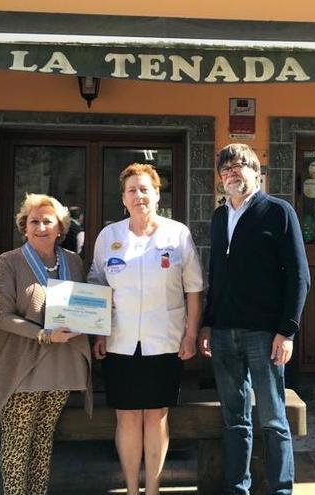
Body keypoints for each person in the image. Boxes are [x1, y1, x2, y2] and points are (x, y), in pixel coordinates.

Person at [198, 143, 310, 495]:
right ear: (220, 178)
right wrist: (207, 323)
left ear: (257, 172)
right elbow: (216, 275)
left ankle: (280, 490)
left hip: (265, 334)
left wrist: (287, 330)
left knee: (274, 419)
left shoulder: (278, 212)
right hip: (224, 333)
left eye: (240, 165)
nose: (232, 172)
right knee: (234, 419)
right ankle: (237, 488)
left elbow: (299, 275)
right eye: (226, 168)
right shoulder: (219, 217)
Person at [88, 163, 203, 495]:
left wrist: (191, 334)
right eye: (131, 190)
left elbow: (194, 289)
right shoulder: (109, 237)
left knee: (156, 416)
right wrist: (98, 333)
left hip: (164, 341)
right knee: (126, 417)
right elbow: (97, 285)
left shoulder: (176, 234)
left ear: (157, 194)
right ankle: (131, 489)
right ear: (123, 198)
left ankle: (151, 489)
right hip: (119, 341)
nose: (138, 195)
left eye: (144, 189)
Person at [0, 193, 92, 495]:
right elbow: (3, 318)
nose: (40, 227)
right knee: (17, 445)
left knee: (43, 442)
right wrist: (44, 335)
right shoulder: (9, 262)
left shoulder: (74, 262)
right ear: (24, 227)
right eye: (33, 221)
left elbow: (83, 306)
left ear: (60, 228)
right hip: (21, 368)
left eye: (47, 221)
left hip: (61, 368)